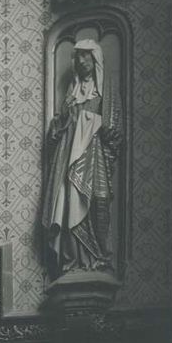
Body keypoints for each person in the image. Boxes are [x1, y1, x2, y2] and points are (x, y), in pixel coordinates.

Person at [42, 39, 122, 278]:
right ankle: (73, 260)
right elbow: (55, 130)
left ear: (95, 59)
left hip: (93, 156)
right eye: (77, 57)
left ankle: (98, 258)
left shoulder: (105, 90)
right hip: (69, 157)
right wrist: (65, 119)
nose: (81, 61)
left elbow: (114, 129)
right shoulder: (72, 93)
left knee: (98, 202)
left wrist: (97, 125)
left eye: (86, 56)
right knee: (69, 203)